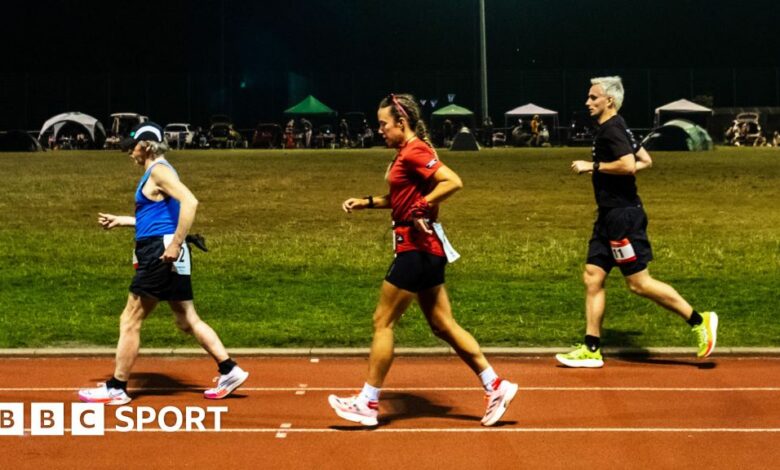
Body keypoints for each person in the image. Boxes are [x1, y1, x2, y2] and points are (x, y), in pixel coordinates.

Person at [328, 94, 518, 427]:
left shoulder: (415, 150)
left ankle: (368, 402)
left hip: (415, 248)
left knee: (382, 321)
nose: (380, 130)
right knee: (443, 324)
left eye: (384, 124)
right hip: (427, 249)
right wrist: (367, 202)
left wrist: (422, 205)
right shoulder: (407, 152)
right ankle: (496, 385)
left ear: (402, 123)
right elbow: (402, 197)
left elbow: (453, 181)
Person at [78, 122, 248, 405]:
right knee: (186, 319)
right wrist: (124, 221)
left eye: (132, 147)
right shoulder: (161, 170)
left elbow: (190, 202)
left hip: (160, 252)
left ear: (145, 146)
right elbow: (161, 216)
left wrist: (175, 244)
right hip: (165, 248)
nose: (129, 152)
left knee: (130, 319)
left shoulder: (158, 171)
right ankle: (229, 369)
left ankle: (117, 387)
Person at [559, 76, 718, 368]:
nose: (588, 102)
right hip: (607, 216)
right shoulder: (618, 126)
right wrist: (612, 174)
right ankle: (591, 348)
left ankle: (699, 320)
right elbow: (645, 160)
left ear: (610, 100)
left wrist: (591, 167)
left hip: (623, 218)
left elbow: (630, 165)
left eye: (593, 97)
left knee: (639, 284)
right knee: (592, 277)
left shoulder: (612, 129)